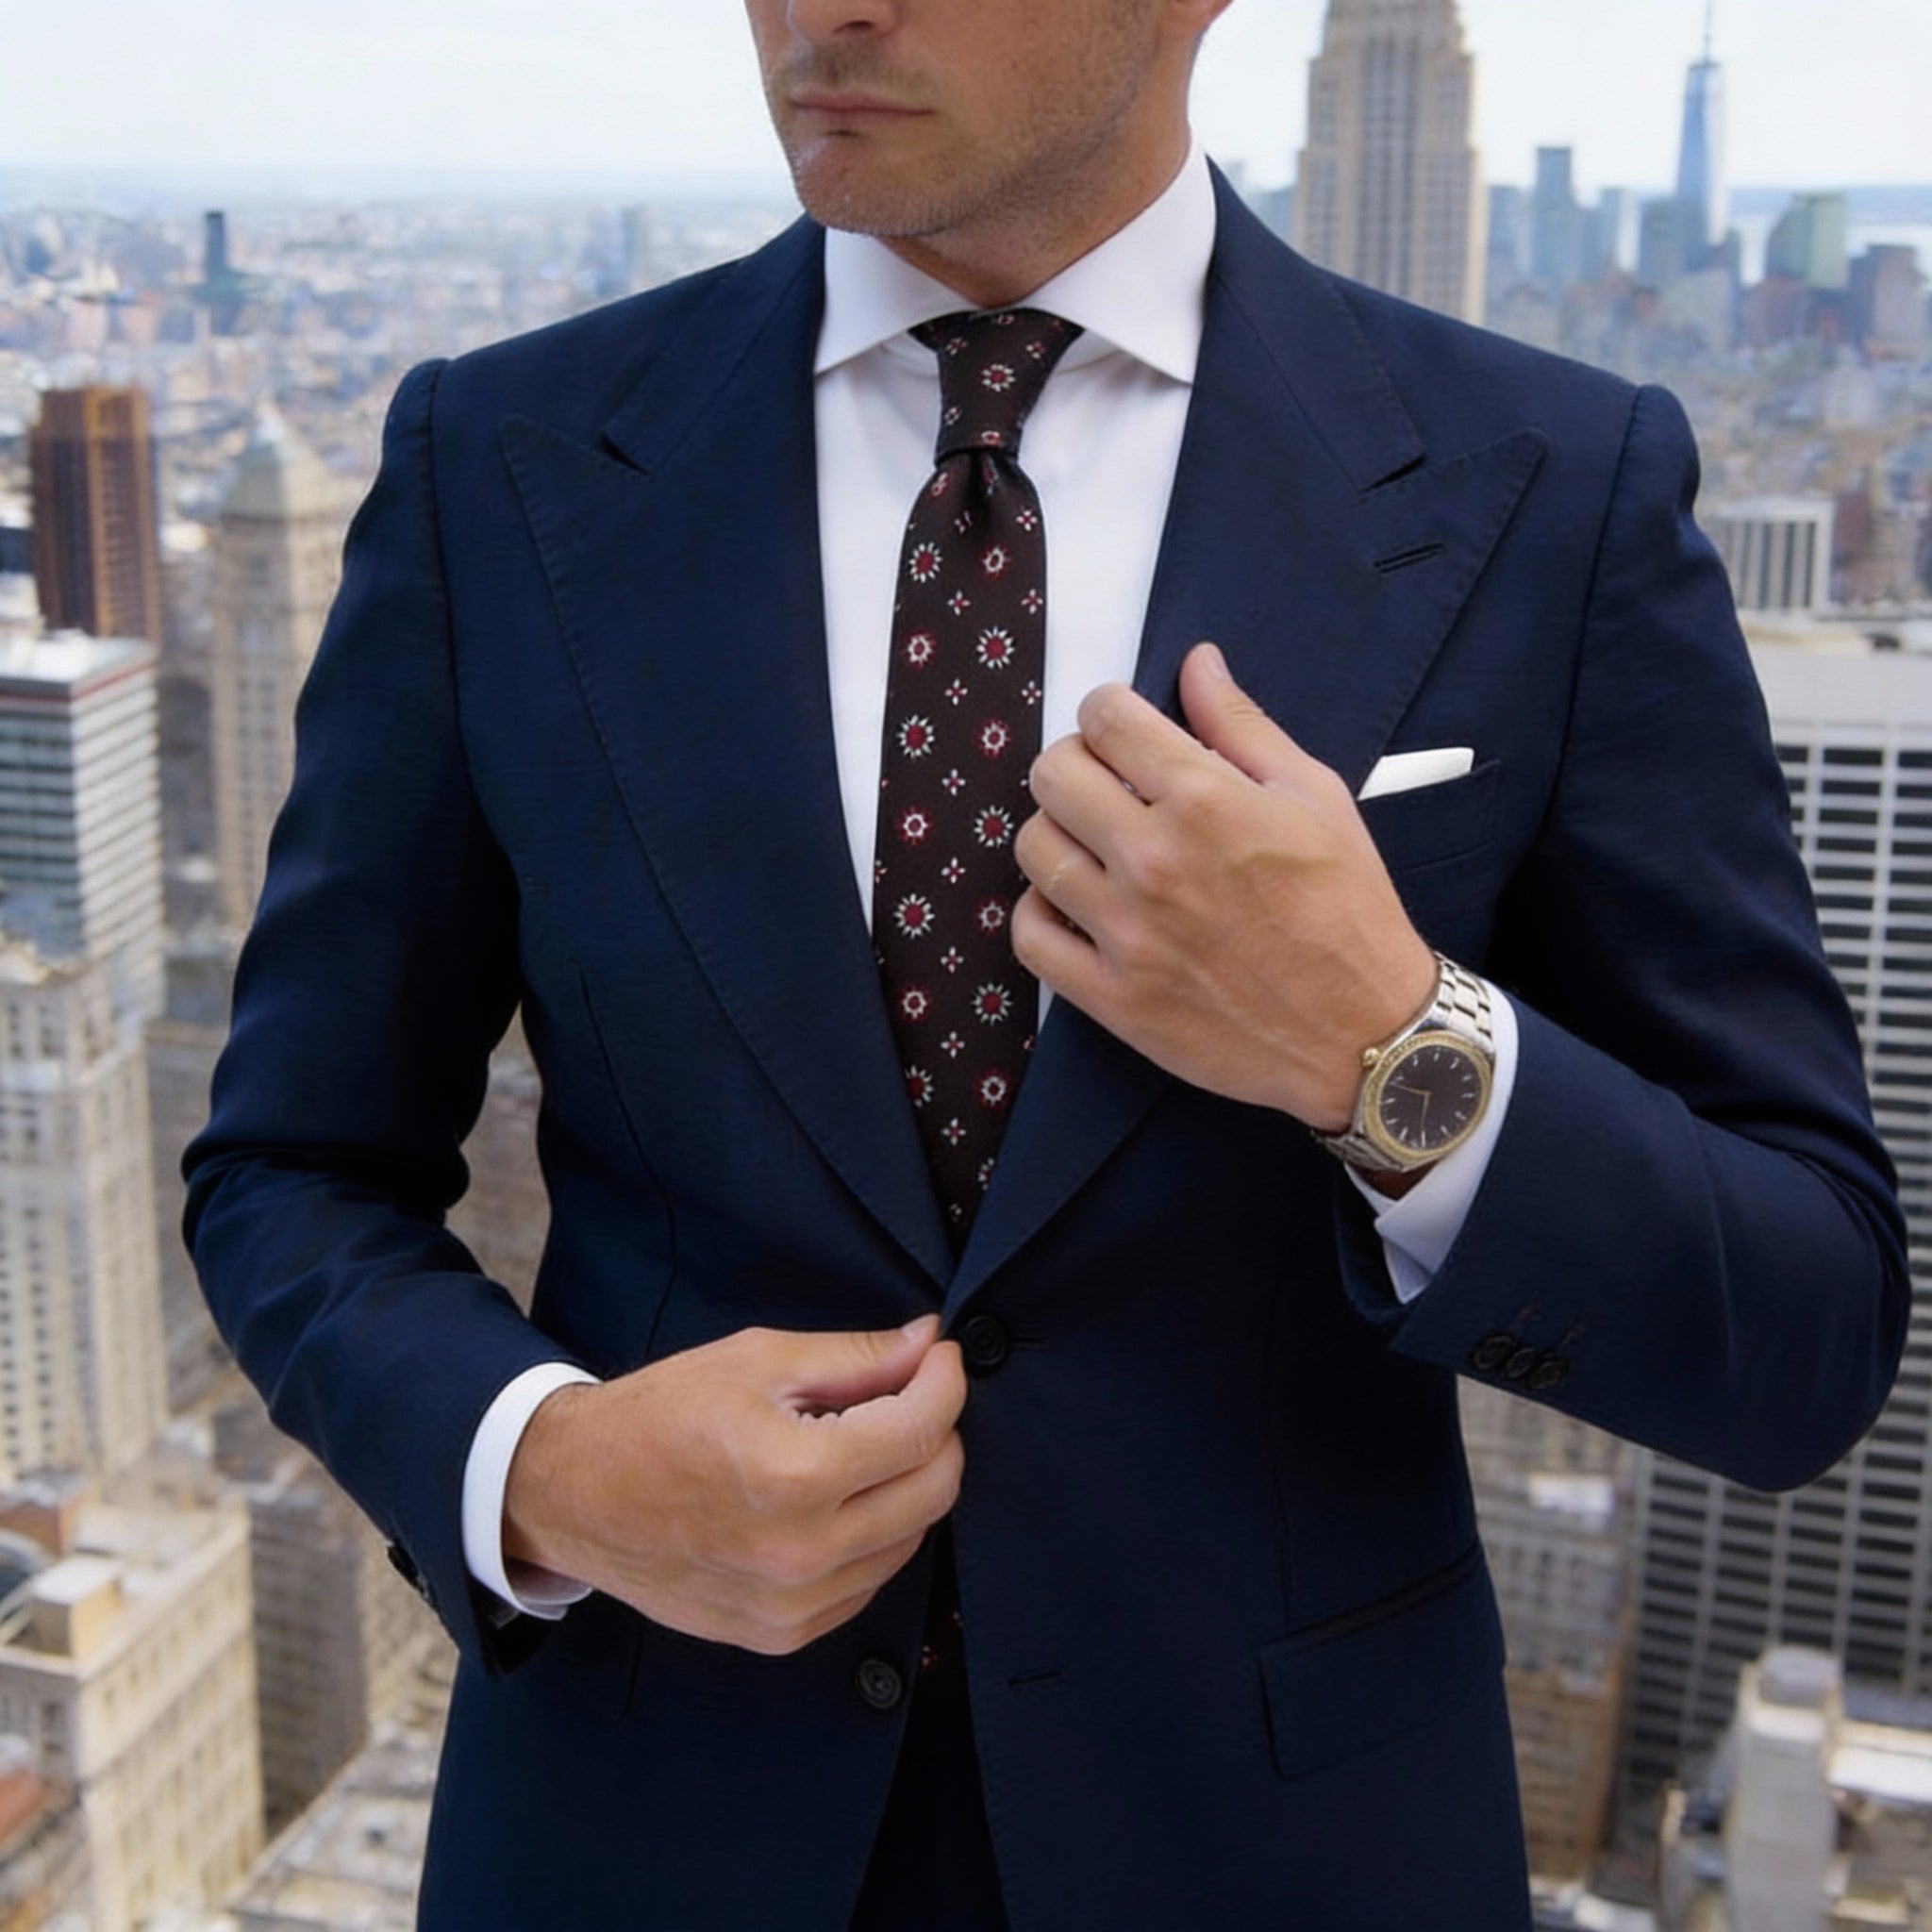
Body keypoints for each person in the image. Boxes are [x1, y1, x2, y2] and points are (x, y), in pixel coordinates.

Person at [179, 1, 1908, 1927]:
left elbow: (1805, 1325)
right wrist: (550, 1471)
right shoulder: (494, 463)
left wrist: (1384, 1043)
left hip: (1280, 1856)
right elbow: (290, 1169)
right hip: (638, 1833)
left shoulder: (1548, 487)